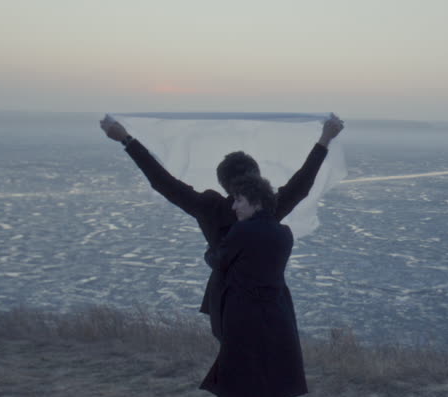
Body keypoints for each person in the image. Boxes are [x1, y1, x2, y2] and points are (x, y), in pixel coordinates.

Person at [99, 113, 343, 340]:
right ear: (256, 178)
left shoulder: (210, 207)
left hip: (226, 302)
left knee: (237, 369)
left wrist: (126, 140)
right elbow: (302, 183)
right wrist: (324, 139)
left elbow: (164, 182)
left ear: (222, 182)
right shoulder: (269, 208)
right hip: (268, 303)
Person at [199, 174, 306, 397]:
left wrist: (209, 252)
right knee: (277, 386)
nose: (234, 207)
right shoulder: (284, 234)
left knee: (247, 387)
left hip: (244, 318)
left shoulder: (242, 232)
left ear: (256, 202)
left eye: (239, 200)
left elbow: (219, 261)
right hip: (278, 316)